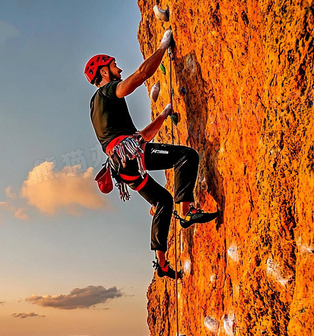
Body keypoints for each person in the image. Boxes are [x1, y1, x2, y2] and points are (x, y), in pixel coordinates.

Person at [85, 30, 218, 280]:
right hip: (130, 155)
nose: (119, 70)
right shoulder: (107, 92)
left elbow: (142, 137)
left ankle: (163, 264)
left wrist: (164, 115)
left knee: (163, 202)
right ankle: (188, 211)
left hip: (123, 165)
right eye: (114, 66)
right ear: (104, 72)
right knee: (186, 156)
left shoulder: (97, 107)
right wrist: (162, 47)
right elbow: (140, 76)